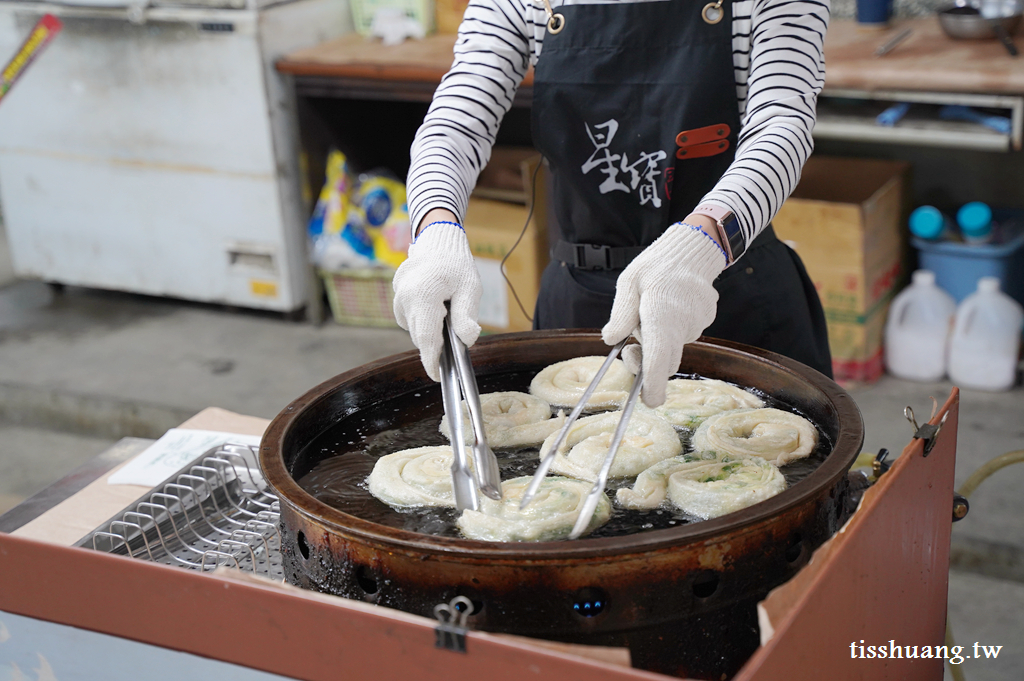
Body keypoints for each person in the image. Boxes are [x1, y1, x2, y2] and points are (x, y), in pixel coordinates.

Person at [392, 0, 832, 407]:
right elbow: (455, 125)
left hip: (728, 288)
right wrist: (435, 230)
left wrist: (704, 241)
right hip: (580, 305)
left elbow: (782, 125)